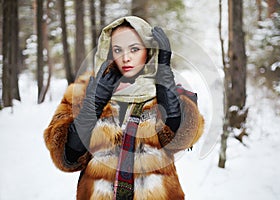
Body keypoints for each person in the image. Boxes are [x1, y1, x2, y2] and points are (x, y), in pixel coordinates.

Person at [44, 16, 204, 200]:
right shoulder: (83, 91)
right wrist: (94, 103)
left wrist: (164, 75)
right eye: (118, 50)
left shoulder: (165, 91)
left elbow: (179, 139)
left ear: (149, 51)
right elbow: (67, 157)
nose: (126, 58)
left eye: (134, 49)